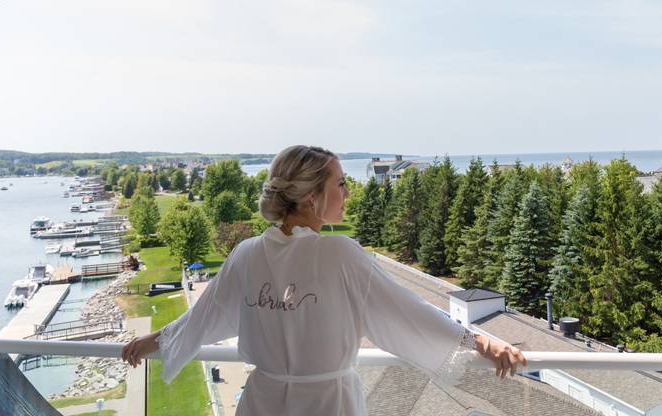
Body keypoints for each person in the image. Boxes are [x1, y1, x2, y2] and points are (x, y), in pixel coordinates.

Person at [121, 145, 527, 415]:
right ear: (312, 195)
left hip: (261, 403)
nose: (349, 192)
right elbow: (406, 312)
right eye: (341, 182)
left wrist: (152, 341)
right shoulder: (338, 253)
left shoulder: (247, 252)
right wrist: (479, 341)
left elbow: (204, 318)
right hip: (328, 406)